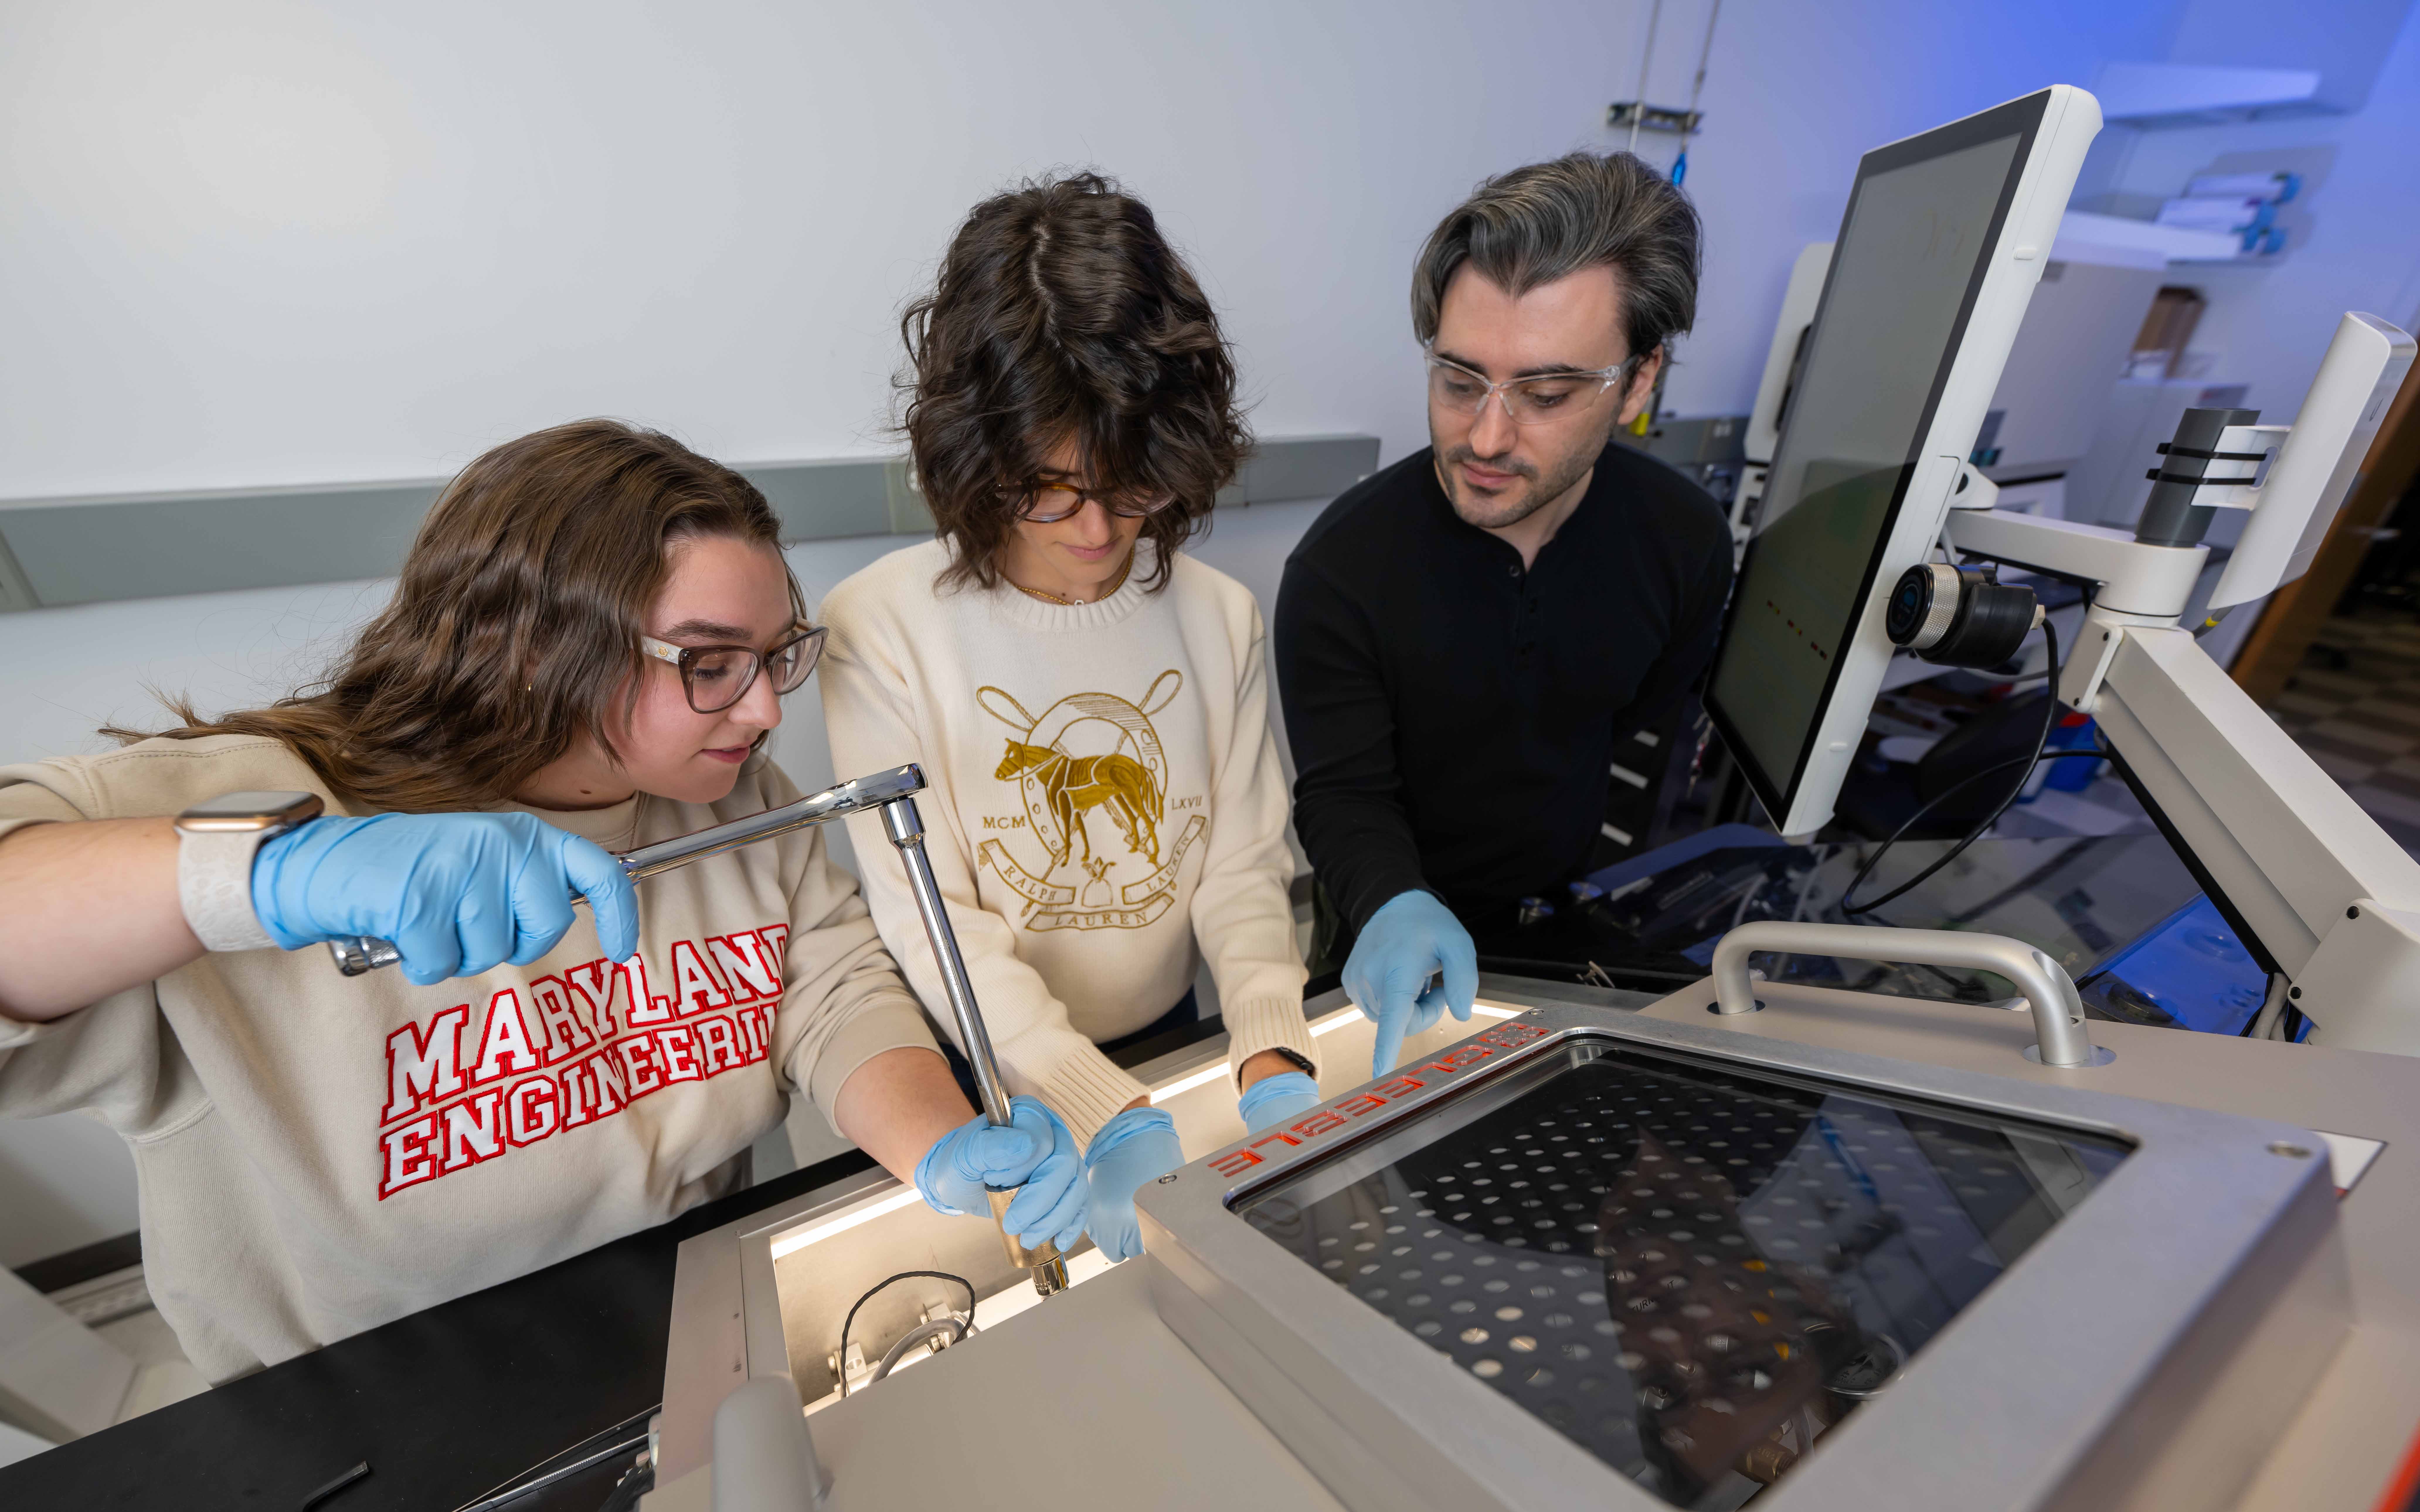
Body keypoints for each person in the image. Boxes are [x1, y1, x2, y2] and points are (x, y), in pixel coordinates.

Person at [0, 421, 1086, 1383]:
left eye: (774, 658)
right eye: (708, 663)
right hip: (374, 1412)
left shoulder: (732, 799)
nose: (761, 709)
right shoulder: (247, 801)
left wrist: (944, 1152)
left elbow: (835, 994)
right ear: (532, 645)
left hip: (693, 1340)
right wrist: (264, 878)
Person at [818, 173, 1321, 1264]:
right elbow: (932, 920)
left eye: (1133, 483)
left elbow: (1242, 868)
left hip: (1184, 1050)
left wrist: (1272, 1056)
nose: (1098, 530)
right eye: (1049, 488)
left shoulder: (1218, 616)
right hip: (991, 1077)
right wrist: (1094, 1105)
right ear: (974, 455)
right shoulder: (881, 630)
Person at [1275, 151, 1734, 1075]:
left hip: (1573, 930)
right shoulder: (1342, 569)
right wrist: (1393, 902)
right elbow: (1343, 792)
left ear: (1639, 383)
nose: (1485, 437)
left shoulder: (1682, 539)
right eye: (1458, 379)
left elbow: (1645, 728)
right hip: (1387, 934)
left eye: (1546, 394)